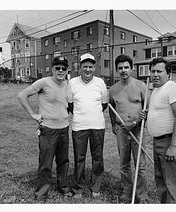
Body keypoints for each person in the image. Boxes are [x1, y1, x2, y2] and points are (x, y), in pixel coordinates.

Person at [17, 56, 72, 202]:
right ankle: (41, 193)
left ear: (67, 70)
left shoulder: (67, 85)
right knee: (46, 163)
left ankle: (63, 187)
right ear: (53, 69)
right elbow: (22, 95)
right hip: (48, 130)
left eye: (63, 68)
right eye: (57, 68)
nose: (60, 71)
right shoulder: (44, 82)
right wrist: (33, 114)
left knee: (63, 161)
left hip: (64, 129)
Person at [140, 57, 176, 203]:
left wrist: (173, 146)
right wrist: (147, 115)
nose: (155, 74)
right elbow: (161, 112)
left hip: (169, 141)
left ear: (168, 73)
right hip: (158, 142)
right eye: (152, 71)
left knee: (172, 183)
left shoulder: (172, 87)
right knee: (161, 181)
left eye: (159, 71)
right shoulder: (156, 90)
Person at [109, 54, 149, 203]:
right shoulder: (113, 90)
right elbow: (111, 108)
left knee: (141, 165)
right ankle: (127, 191)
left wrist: (138, 121)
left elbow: (148, 108)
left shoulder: (141, 86)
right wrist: (114, 124)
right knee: (124, 164)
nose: (123, 70)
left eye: (126, 67)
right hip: (122, 131)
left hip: (137, 130)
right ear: (117, 70)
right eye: (120, 68)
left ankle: (141, 195)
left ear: (131, 68)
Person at [67, 53, 108, 199]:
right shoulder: (72, 83)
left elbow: (104, 104)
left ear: (94, 67)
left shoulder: (100, 82)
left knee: (97, 158)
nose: (88, 69)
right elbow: (70, 105)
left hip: (97, 126)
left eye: (90, 67)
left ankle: (95, 186)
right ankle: (78, 188)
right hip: (79, 127)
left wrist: (92, 113)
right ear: (80, 67)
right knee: (79, 158)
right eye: (85, 66)